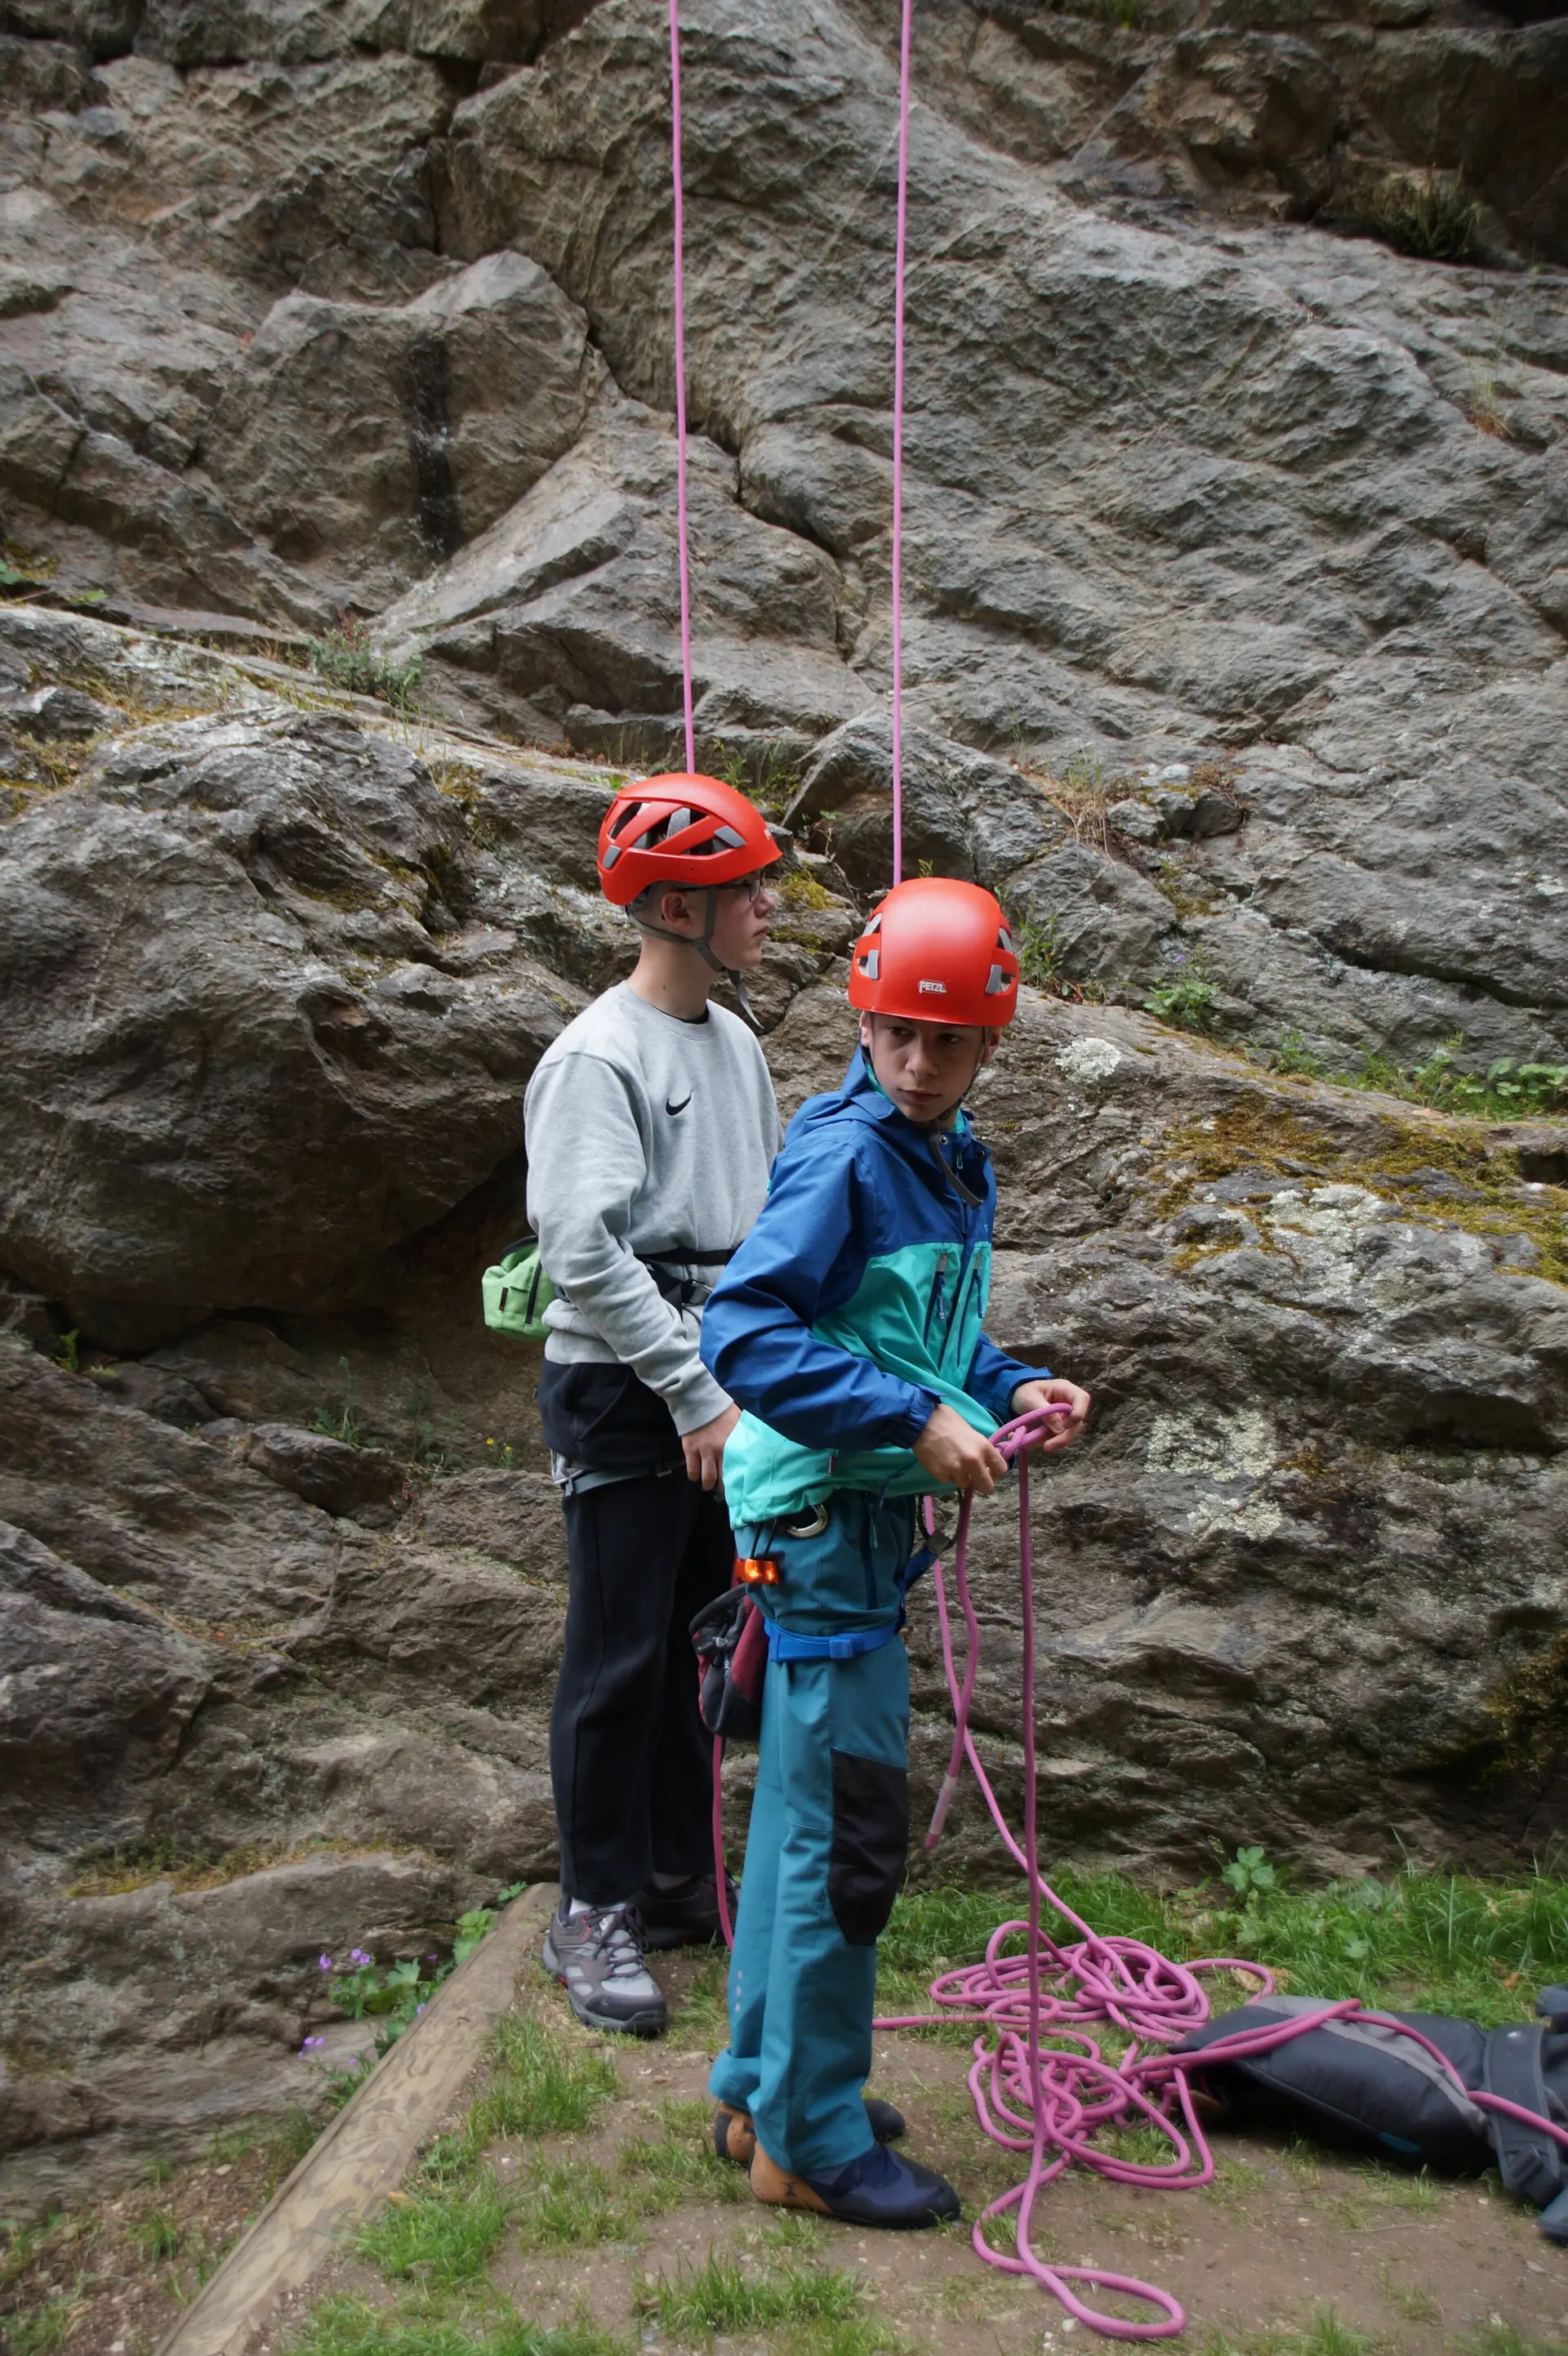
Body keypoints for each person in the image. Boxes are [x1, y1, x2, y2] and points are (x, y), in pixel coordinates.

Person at [697, 875, 1092, 2226]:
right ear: (863, 1024)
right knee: (846, 1830)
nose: (919, 1063)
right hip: (822, 1527)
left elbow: (915, 1334)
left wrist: (1009, 1383)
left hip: (851, 1524)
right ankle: (809, 2138)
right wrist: (912, 1420)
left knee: (803, 1819)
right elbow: (746, 1331)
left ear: (989, 1046)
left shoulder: (944, 1154)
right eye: (896, 1035)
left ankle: (761, 2088)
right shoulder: (851, 1158)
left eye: (949, 1041)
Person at [524, 772, 782, 2037]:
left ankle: (678, 1877)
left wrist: (749, 1384)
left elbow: (765, 1220)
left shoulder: (735, 1044)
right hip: (628, 1389)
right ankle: (590, 1907)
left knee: (699, 1646)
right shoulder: (597, 1056)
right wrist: (690, 1394)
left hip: (713, 1384)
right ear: (679, 907)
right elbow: (582, 1249)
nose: (769, 907)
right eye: (749, 890)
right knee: (618, 1653)